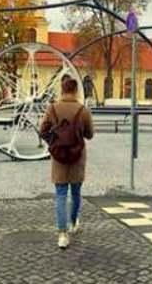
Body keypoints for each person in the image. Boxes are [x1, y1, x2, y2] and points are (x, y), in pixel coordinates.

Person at [39, 77, 94, 249]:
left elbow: (42, 130)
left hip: (59, 157)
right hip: (77, 157)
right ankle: (73, 223)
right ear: (76, 90)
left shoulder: (52, 108)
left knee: (61, 195)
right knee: (76, 192)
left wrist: (54, 141)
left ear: (62, 90)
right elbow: (90, 134)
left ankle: (62, 235)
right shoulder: (83, 110)